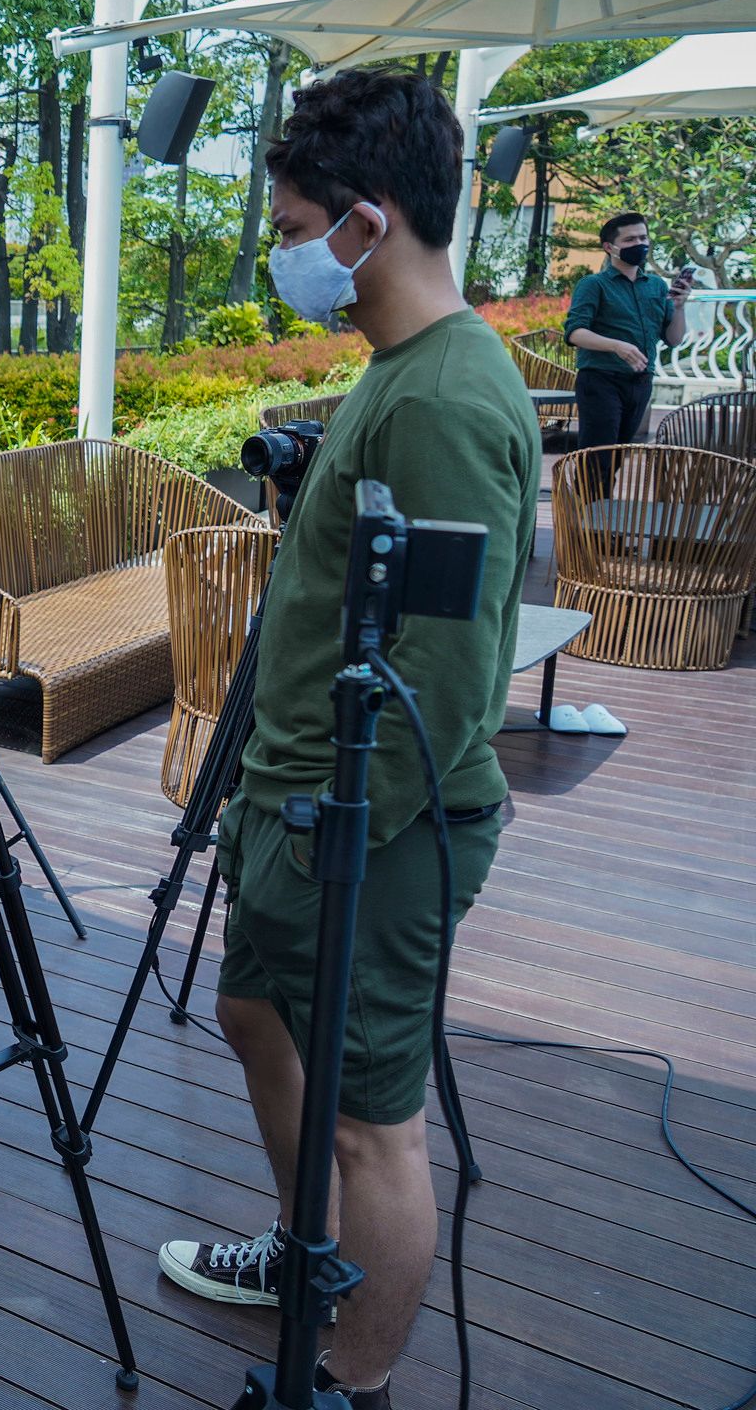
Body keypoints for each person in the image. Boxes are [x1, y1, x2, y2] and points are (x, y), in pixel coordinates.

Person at [155, 70, 538, 1410]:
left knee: (373, 1121)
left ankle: (349, 1375)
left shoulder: (440, 399)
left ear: (371, 223)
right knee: (255, 1016)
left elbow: (437, 693)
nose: (289, 250)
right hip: (295, 804)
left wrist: (337, 847)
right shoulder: (399, 373)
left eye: (300, 222)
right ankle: (308, 1258)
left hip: (367, 828)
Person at [564, 211, 694, 486]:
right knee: (596, 460)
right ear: (610, 247)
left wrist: (680, 306)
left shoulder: (657, 286)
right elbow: (575, 332)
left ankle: (599, 520)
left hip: (640, 382)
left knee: (617, 459)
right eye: (630, 239)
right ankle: (586, 525)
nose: (640, 244)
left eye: (643, 237)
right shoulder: (593, 285)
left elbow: (673, 338)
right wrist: (616, 346)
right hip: (601, 380)